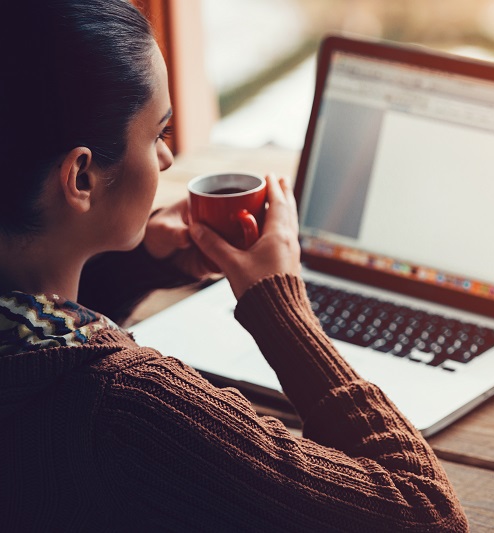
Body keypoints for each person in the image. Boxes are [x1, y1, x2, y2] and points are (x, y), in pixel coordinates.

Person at [0, 1, 469, 531]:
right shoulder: (127, 409)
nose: (167, 161)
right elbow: (424, 514)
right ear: (81, 177)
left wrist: (141, 263)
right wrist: (280, 308)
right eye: (159, 134)